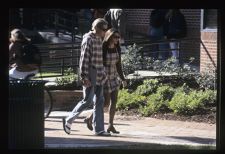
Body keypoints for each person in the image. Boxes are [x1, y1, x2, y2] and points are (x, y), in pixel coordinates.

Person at [62, 18, 111, 136]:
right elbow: (84, 59)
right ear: (97, 28)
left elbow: (99, 58)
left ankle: (99, 129)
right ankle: (68, 119)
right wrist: (84, 76)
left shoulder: (99, 38)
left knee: (99, 101)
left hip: (99, 75)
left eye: (106, 29)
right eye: (103, 29)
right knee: (87, 101)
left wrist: (104, 73)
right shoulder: (88, 39)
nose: (105, 32)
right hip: (90, 74)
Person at [84, 28, 127, 134]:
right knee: (106, 102)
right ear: (109, 37)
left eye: (118, 37)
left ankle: (110, 125)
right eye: (115, 37)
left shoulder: (117, 48)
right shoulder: (103, 47)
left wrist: (123, 78)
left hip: (114, 76)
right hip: (104, 77)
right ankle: (89, 118)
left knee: (114, 101)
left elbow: (118, 65)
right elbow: (99, 64)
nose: (117, 39)